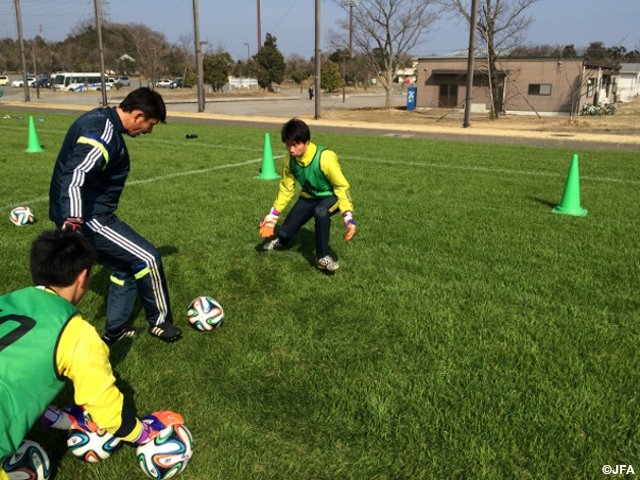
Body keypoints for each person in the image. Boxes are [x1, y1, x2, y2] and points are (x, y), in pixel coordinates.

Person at [0, 230, 183, 480]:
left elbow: (18, 381)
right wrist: (147, 432)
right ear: (83, 277)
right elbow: (106, 409)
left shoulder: (9, 301)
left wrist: (66, 420)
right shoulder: (77, 334)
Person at [49, 87, 182, 344]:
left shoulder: (100, 119)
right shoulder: (103, 133)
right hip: (89, 217)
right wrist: (73, 221)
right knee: (147, 257)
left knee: (124, 266)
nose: (148, 131)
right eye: (150, 124)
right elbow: (75, 176)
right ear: (138, 115)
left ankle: (115, 329)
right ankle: (159, 322)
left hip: (82, 212)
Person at [259, 118, 357, 272]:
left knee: (320, 211)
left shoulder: (325, 158)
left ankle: (322, 257)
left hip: (330, 197)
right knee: (285, 234)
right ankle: (280, 240)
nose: (291, 149)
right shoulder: (289, 161)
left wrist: (348, 218)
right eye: (288, 145)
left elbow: (341, 186)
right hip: (308, 197)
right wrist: (273, 217)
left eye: (295, 144)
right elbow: (286, 189)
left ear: (307, 142)